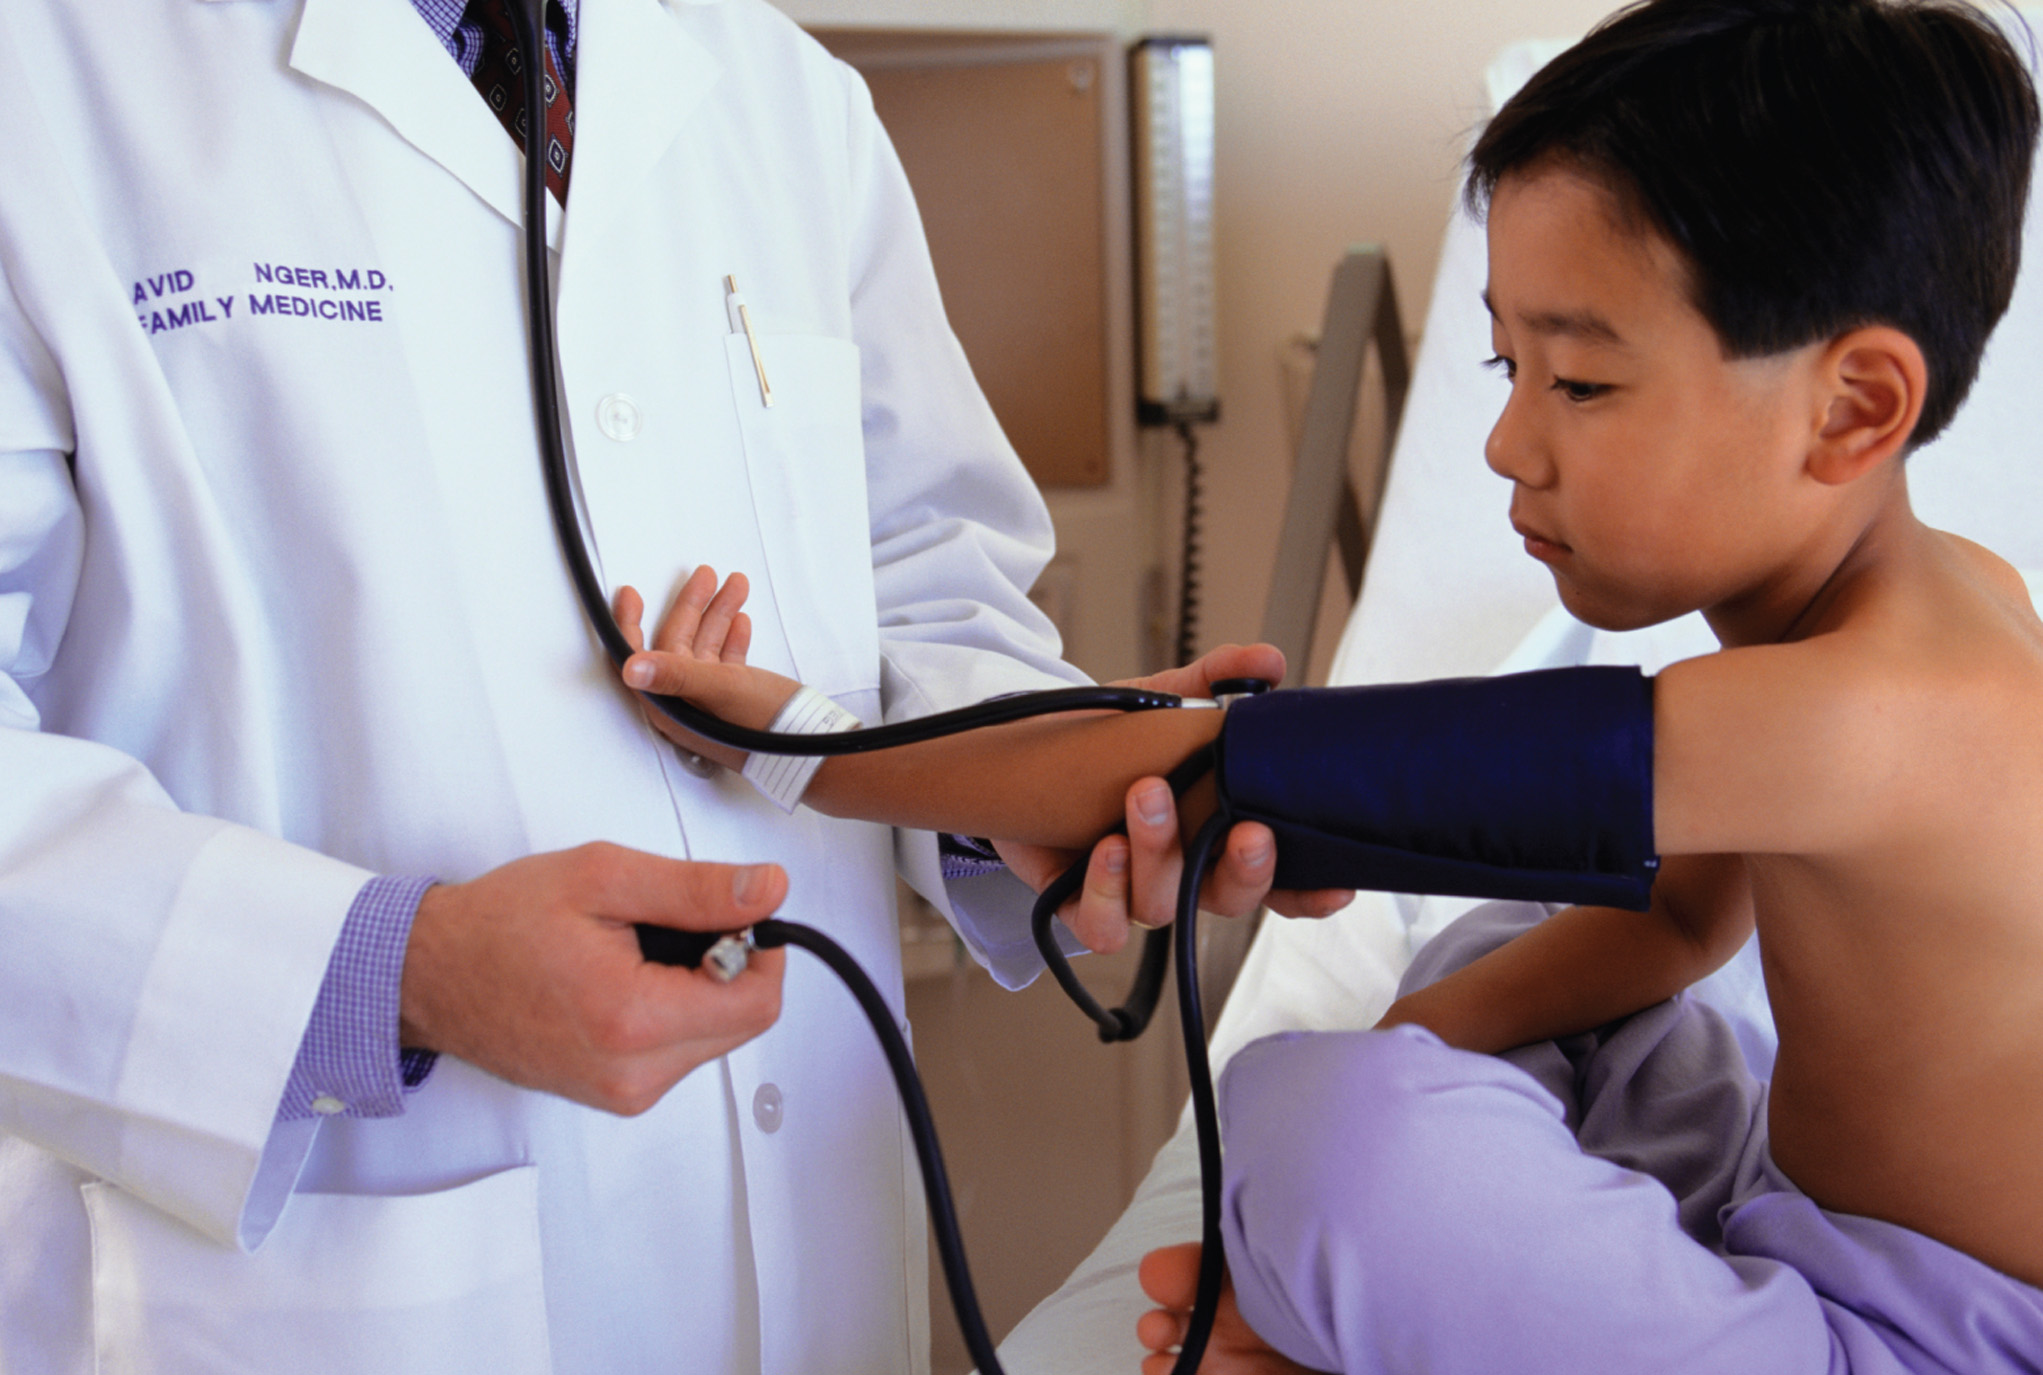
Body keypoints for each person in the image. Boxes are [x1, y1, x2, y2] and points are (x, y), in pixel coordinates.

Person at [617, 1, 2043, 1370]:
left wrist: (802, 745)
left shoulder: (1870, 719)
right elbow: (1678, 918)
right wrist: (1416, 1067)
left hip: (1913, 1343)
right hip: (1789, 1205)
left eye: (1581, 386)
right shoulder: (1934, 596)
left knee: (1322, 1125)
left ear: (1854, 407)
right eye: (1505, 364)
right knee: (1491, 961)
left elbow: (1226, 767)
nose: (1504, 444)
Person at [0, 2, 1326, 1372]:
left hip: (817, 1258)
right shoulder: (50, 76)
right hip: (323, 1294)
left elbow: (929, 573)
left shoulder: (776, 91)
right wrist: (397, 975)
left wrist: (1010, 780)